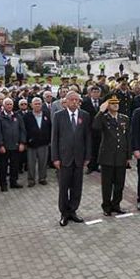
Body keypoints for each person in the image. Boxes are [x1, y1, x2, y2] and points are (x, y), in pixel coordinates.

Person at [51, 91, 92, 227]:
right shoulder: (59, 116)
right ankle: (64, 213)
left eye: (77, 100)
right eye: (72, 100)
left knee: (76, 187)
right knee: (64, 187)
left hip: (79, 158)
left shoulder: (84, 115)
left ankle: (73, 211)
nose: (74, 102)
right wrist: (55, 158)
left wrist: (87, 156)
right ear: (66, 101)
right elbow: (55, 138)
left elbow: (87, 137)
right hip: (64, 158)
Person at [93, 95, 131, 216]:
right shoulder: (104, 118)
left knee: (120, 184)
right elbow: (95, 126)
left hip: (120, 156)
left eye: (117, 103)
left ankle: (116, 204)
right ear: (108, 105)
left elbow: (127, 138)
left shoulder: (124, 118)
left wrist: (128, 156)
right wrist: (100, 111)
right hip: (107, 156)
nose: (116, 105)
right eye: (112, 103)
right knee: (107, 184)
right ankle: (106, 206)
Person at [0, 98, 27, 191]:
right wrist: (0, 145)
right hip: (4, 147)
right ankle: (3, 184)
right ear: (3, 106)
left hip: (15, 146)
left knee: (14, 166)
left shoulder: (17, 116)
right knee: (3, 167)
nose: (9, 106)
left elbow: (22, 130)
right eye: (7, 104)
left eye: (11, 104)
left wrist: (22, 143)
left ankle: (13, 182)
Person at [23, 97, 51, 187]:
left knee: (43, 162)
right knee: (31, 163)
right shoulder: (27, 116)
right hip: (31, 144)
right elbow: (24, 130)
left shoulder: (47, 114)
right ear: (31, 105)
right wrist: (25, 142)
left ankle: (42, 178)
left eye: (39, 104)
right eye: (36, 104)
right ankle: (31, 180)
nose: (38, 105)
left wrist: (49, 140)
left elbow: (50, 128)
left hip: (44, 143)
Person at [81, 86, 103, 174]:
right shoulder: (85, 102)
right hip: (89, 129)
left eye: (97, 92)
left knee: (98, 147)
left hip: (99, 130)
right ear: (90, 93)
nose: (95, 94)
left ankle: (96, 165)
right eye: (94, 92)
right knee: (90, 148)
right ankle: (90, 166)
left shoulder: (102, 102)